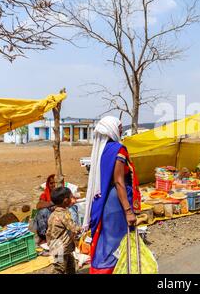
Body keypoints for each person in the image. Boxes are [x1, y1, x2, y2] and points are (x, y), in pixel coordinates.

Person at [83, 116, 141, 274]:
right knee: (115, 240)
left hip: (106, 200)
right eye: (120, 128)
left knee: (106, 238)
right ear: (112, 129)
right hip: (117, 202)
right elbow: (119, 181)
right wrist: (128, 211)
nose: (121, 130)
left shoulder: (102, 150)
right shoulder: (118, 149)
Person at [46, 187, 82, 274]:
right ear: (66, 200)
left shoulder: (53, 214)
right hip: (61, 247)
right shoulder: (63, 215)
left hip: (56, 245)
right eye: (71, 197)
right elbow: (74, 228)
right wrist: (84, 227)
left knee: (70, 265)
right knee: (59, 269)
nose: (72, 199)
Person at [33, 174, 57, 243]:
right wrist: (53, 203)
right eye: (51, 183)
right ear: (48, 184)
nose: (53, 185)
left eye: (55, 183)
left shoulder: (60, 193)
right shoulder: (45, 195)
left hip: (57, 219)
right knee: (43, 211)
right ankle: (43, 236)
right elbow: (39, 205)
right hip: (47, 221)